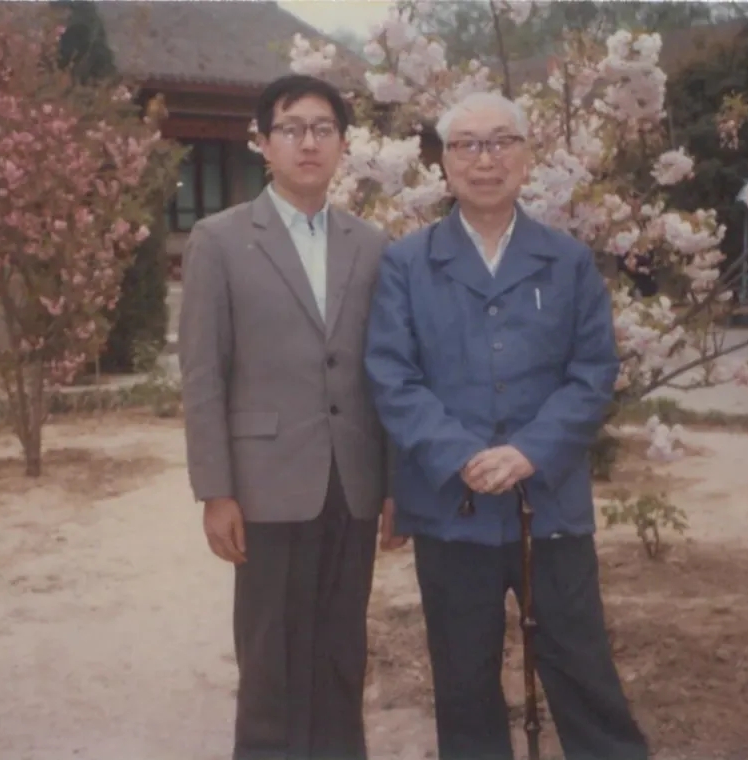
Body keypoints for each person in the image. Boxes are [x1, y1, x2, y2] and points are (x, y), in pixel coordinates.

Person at [363, 91, 650, 760]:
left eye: (500, 142)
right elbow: (392, 376)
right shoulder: (408, 263)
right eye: (466, 145)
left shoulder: (567, 260)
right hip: (450, 506)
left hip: (548, 502)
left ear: (525, 157)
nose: (484, 160)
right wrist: (460, 455)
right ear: (444, 163)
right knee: (463, 679)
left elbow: (593, 371)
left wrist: (529, 451)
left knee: (581, 665)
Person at [178, 74, 405, 760]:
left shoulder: (371, 244)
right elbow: (203, 374)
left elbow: (387, 372)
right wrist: (216, 491)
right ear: (263, 143)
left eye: (323, 129)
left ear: (342, 145)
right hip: (265, 484)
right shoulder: (219, 240)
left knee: (341, 653)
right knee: (270, 661)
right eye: (291, 129)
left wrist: (395, 483)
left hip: (353, 482)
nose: (309, 143)